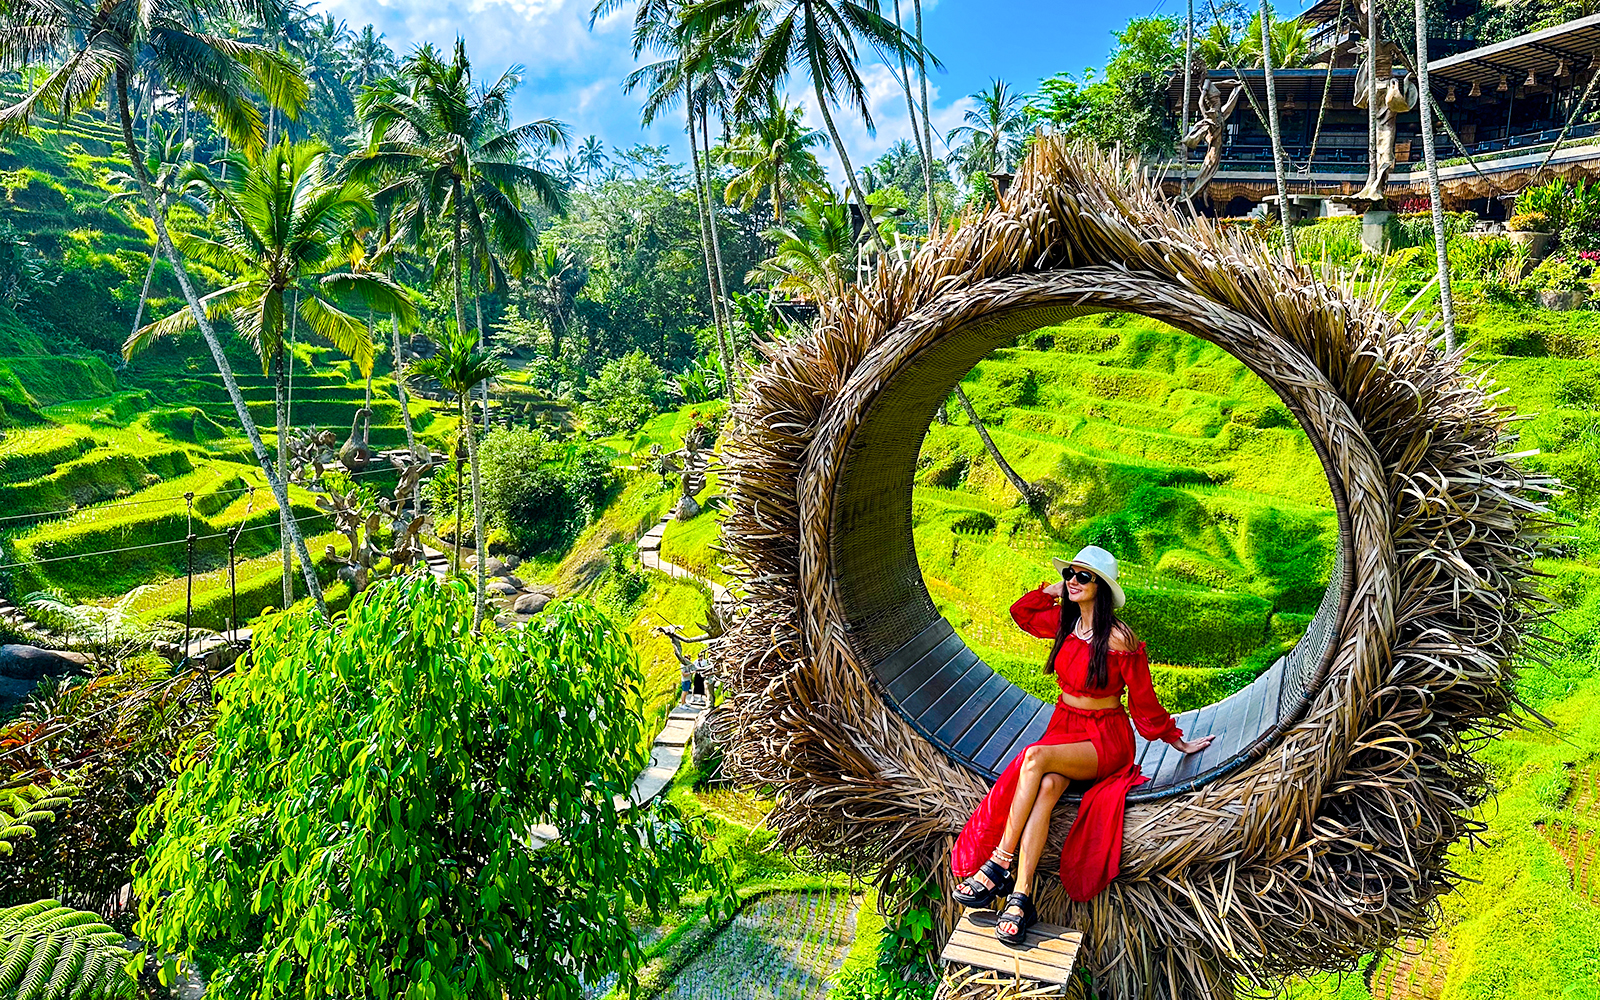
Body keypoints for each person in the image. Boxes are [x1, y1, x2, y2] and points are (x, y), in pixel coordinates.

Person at [949, 545, 1214, 945]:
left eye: (1082, 576)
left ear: (1101, 587)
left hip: (1104, 739)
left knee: (1033, 758)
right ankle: (1021, 896)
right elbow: (1021, 613)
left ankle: (1000, 860)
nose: (1074, 580)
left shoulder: (1120, 639)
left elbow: (1143, 702)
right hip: (1065, 728)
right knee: (1048, 787)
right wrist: (1056, 588)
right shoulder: (1065, 624)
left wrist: (1175, 740)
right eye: (1071, 572)